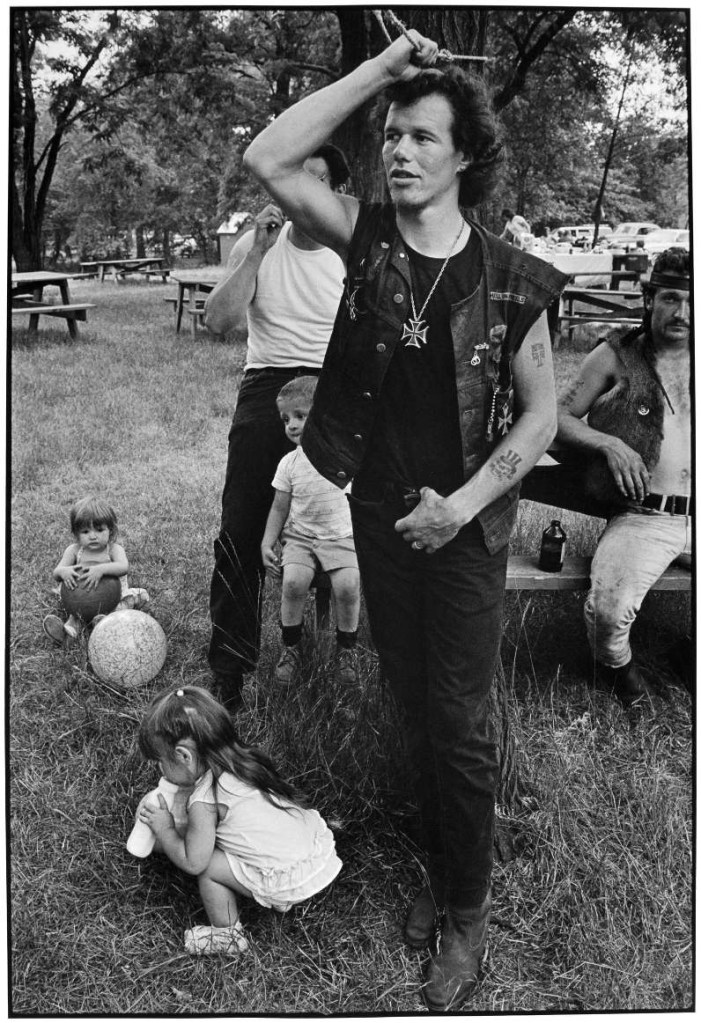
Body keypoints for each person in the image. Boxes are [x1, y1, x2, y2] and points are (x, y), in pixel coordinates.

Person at [242, 30, 567, 1011]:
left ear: (462, 154)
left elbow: (541, 413)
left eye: (422, 136)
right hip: (381, 521)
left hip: (464, 530)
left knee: (460, 720)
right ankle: (440, 864)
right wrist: (384, 70)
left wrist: (461, 505)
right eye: (390, 135)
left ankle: (465, 910)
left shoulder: (512, 277)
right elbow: (267, 159)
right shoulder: (368, 240)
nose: (398, 151)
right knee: (413, 704)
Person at [203, 144, 351, 714]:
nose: (301, 192)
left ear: (336, 190)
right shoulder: (259, 244)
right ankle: (231, 664)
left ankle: (340, 646)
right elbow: (218, 321)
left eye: (316, 180)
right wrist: (256, 253)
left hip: (333, 385)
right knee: (241, 526)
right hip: (267, 383)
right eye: (293, 178)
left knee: (342, 521)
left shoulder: (349, 254)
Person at [556, 247, 691, 702]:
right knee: (609, 610)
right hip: (645, 515)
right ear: (650, 298)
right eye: (671, 298)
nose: (683, 312)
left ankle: (686, 653)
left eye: (693, 300)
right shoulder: (616, 355)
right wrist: (609, 443)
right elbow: (553, 416)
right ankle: (621, 673)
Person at [135, 685, 342, 955]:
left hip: (285, 879)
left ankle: (227, 936)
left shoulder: (204, 800)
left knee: (209, 865)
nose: (159, 769)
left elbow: (193, 861)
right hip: (316, 852)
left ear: (184, 756)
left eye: (160, 761)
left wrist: (165, 830)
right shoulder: (243, 760)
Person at [261, 376, 360, 686]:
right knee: (293, 583)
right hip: (300, 538)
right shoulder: (289, 464)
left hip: (341, 537)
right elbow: (279, 506)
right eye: (286, 418)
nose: (291, 424)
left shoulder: (346, 457)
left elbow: (364, 500)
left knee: (347, 585)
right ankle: (291, 648)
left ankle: (346, 652)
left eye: (300, 416)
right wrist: (268, 541)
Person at [43, 495, 149, 644]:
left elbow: (123, 567)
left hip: (112, 598)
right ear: (76, 533)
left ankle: (103, 624)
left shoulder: (113, 549)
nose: (93, 536)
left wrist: (101, 570)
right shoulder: (73, 550)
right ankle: (66, 634)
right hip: (80, 600)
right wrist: (64, 572)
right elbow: (56, 573)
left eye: (99, 530)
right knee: (75, 616)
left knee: (118, 610)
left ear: (110, 531)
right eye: (85, 532)